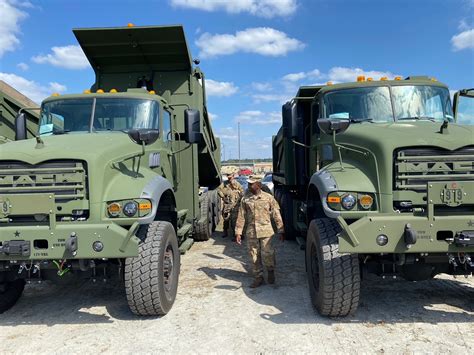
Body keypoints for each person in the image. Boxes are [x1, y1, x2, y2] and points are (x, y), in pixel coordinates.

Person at [235, 175, 284, 288]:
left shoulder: (268, 198)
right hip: (251, 231)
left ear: (258, 185)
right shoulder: (245, 199)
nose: (249, 185)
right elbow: (241, 216)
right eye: (248, 183)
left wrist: (281, 230)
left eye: (251, 183)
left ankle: (270, 271)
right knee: (254, 255)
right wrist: (238, 232)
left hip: (266, 231)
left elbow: (276, 214)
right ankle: (258, 277)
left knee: (268, 253)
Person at [218, 173, 244, 238]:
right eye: (228, 176)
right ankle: (225, 232)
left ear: (233, 176)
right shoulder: (224, 184)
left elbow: (242, 192)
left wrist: (239, 196)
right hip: (227, 204)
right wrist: (223, 197)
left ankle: (235, 234)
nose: (229, 178)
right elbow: (219, 190)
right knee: (226, 219)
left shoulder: (237, 184)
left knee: (234, 220)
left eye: (230, 176)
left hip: (235, 205)